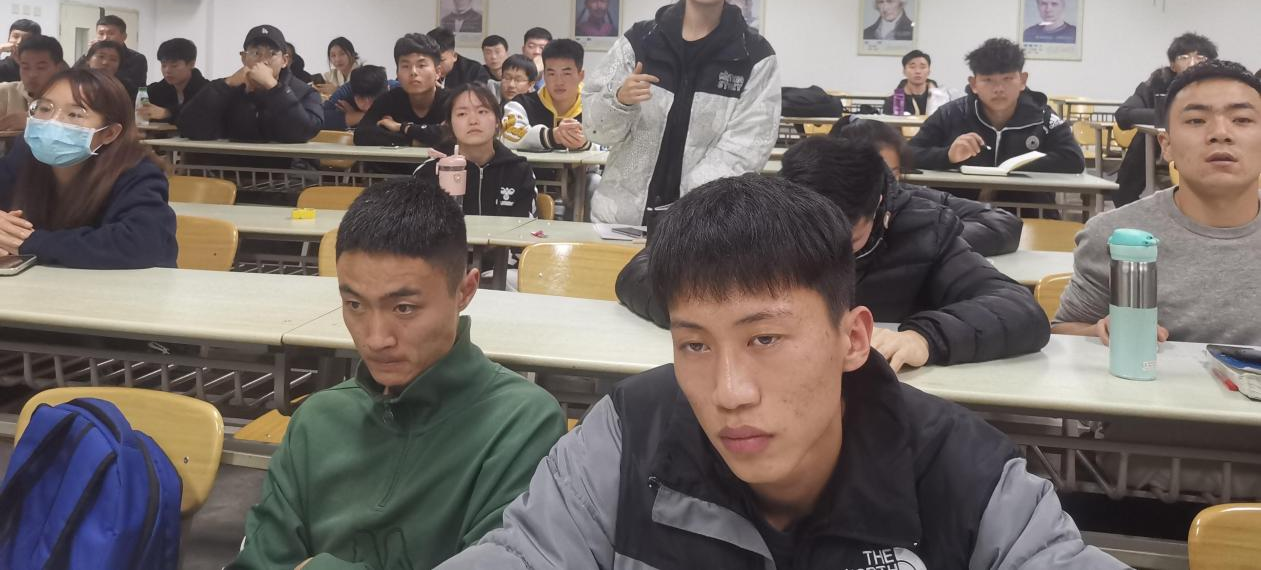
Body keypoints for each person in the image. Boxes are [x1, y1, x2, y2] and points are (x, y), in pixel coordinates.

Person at [442, 175, 1122, 570]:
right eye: (694, 346)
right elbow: (524, 554)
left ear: (853, 339)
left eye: (765, 339)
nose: (729, 393)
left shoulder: (965, 476)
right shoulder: (626, 436)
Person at [229, 179, 565, 570]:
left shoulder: (522, 424)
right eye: (355, 304)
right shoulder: (317, 420)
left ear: (465, 290)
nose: (375, 339)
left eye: (404, 308)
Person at [617, 138, 1047, 367]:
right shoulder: (758, 217)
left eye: (846, 241)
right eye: (806, 234)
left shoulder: (924, 230)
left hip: (876, 398)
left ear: (880, 211)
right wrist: (719, 318)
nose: (823, 254)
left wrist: (924, 338)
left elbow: (1018, 309)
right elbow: (641, 271)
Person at [1054, 61, 1261, 345]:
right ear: (1166, 145)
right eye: (1196, 120)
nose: (1220, 133)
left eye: (1242, 120)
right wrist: (1103, 331)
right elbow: (1064, 331)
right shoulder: (1116, 235)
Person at [585, 0, 781, 226]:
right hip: (620, 218)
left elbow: (749, 144)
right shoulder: (640, 41)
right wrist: (619, 101)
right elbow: (595, 130)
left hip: (702, 224)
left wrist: (690, 205)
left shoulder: (753, 56)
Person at [0, 69, 176, 269]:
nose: (52, 122)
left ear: (109, 133)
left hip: (123, 286)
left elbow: (141, 242)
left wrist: (28, 242)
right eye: (45, 108)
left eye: (75, 114)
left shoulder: (137, 171)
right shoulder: (25, 155)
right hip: (43, 282)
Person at [909, 37, 1084, 190]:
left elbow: (1074, 160)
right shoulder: (951, 113)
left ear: (1022, 80)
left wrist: (1012, 165)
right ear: (974, 84)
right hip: (961, 209)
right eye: (988, 80)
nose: (999, 89)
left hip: (1028, 208)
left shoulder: (1043, 117)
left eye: (1007, 79)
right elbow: (908, 154)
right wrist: (948, 155)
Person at [832, 116, 1023, 256]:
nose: (885, 185)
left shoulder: (903, 196)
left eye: (893, 174)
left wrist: (925, 239)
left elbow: (1003, 224)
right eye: (874, 174)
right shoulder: (820, 210)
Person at [1112, 32, 1217, 207]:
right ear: (1173, 65)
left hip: (1206, 152)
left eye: (1201, 58)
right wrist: (1174, 117)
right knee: (1145, 137)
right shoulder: (1158, 83)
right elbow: (1123, 115)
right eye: (1184, 57)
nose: (1192, 63)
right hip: (1159, 151)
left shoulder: (1222, 88)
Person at [178, 25, 323, 143]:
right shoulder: (227, 89)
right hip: (229, 167)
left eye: (272, 54)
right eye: (255, 53)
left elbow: (305, 132)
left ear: (285, 61)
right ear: (243, 58)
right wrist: (225, 85)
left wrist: (274, 87)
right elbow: (188, 127)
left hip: (285, 169)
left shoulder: (305, 92)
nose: (263, 61)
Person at [414, 84, 537, 218]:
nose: (473, 121)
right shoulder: (430, 171)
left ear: (497, 120)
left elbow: (524, 226)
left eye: (482, 112)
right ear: (449, 124)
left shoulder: (519, 170)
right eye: (462, 114)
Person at [355, 34, 450, 148]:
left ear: (438, 72)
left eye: (421, 65)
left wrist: (400, 127)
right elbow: (361, 135)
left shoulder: (451, 101)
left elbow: (452, 135)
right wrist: (413, 141)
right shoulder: (389, 100)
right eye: (405, 66)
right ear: (397, 73)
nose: (413, 72)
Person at [501, 38, 592, 152]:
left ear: (581, 76)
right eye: (552, 74)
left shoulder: (595, 107)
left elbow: (609, 145)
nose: (559, 82)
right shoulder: (521, 104)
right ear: (544, 75)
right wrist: (552, 136)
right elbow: (508, 137)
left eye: (566, 74)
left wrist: (585, 143)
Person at [139, 37, 207, 126]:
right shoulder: (155, 90)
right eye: (163, 65)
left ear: (191, 64)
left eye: (174, 65)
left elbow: (201, 116)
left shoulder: (207, 90)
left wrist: (167, 113)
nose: (167, 70)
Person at [0, 35, 63, 131]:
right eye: (25, 67)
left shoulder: (72, 98)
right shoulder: (5, 93)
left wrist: (34, 122)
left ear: (58, 68)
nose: (32, 74)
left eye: (41, 68)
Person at [322, 64, 391, 131]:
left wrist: (353, 116)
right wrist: (361, 116)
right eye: (361, 99)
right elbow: (320, 120)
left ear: (388, 90)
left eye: (373, 100)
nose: (367, 106)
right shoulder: (346, 91)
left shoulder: (394, 89)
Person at [883, 49, 950, 116]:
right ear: (904, 71)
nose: (918, 71)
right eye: (912, 67)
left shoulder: (941, 98)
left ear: (929, 71)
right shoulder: (894, 100)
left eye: (922, 67)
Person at [95, 15, 147, 95]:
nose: (105, 38)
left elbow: (137, 90)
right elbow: (76, 78)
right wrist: (90, 54)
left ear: (124, 37)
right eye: (101, 33)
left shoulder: (137, 59)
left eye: (111, 33)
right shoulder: (93, 56)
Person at [0, 18, 40, 83]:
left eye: (26, 39)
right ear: (8, 38)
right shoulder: (2, 66)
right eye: (15, 36)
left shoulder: (40, 69)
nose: (19, 42)